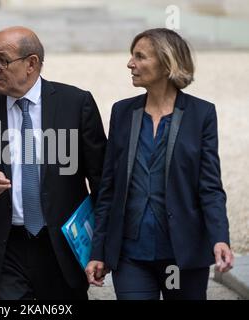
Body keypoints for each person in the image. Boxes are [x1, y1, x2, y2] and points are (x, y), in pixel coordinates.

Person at [85, 28, 234, 300]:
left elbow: (209, 186)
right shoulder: (122, 112)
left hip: (180, 255)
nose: (130, 63)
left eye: (140, 57)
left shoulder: (201, 114)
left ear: (167, 63)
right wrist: (98, 251)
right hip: (130, 255)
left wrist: (219, 237)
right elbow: (108, 189)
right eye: (132, 56)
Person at [0, 26, 107, 300]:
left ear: (32, 63)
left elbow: (101, 180)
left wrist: (101, 247)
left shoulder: (76, 104)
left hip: (62, 247)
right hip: (6, 249)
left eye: (2, 60)